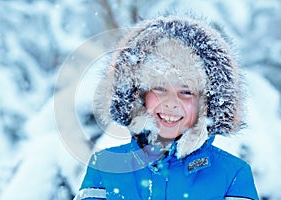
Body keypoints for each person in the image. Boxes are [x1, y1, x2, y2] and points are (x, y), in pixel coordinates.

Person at [74, 15, 259, 200]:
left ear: (205, 105)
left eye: (186, 92)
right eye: (160, 89)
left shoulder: (232, 174)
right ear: (139, 96)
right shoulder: (105, 167)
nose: (171, 103)